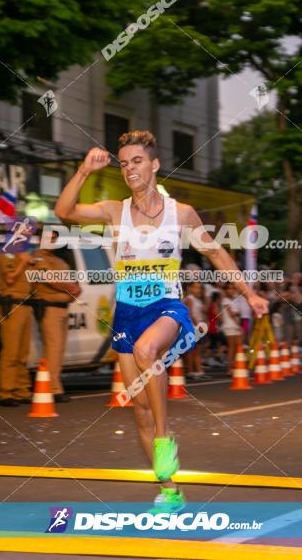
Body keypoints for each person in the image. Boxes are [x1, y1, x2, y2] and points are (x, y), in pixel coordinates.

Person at [54, 131, 268, 513]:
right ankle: (170, 491)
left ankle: (165, 438)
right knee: (139, 409)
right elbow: (64, 211)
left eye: (136, 161)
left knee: (147, 349)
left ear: (154, 165)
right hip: (127, 312)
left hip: (167, 307)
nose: (129, 169)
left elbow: (217, 254)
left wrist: (249, 293)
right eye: (123, 163)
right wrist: (84, 171)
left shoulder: (180, 214)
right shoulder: (113, 211)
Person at [30, 229, 81, 403]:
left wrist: (75, 288)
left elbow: (71, 281)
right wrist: (70, 287)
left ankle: (54, 385)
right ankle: (53, 389)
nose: (51, 241)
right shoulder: (37, 258)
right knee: (52, 349)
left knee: (58, 350)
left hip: (63, 308)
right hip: (49, 308)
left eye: (53, 239)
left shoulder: (59, 260)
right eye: (48, 238)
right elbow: (48, 278)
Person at [0, 224, 37, 407]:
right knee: (10, 352)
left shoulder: (26, 255)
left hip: (26, 306)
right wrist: (22, 262)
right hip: (12, 306)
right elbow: (10, 278)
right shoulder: (6, 254)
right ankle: (6, 392)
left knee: (22, 353)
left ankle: (21, 390)